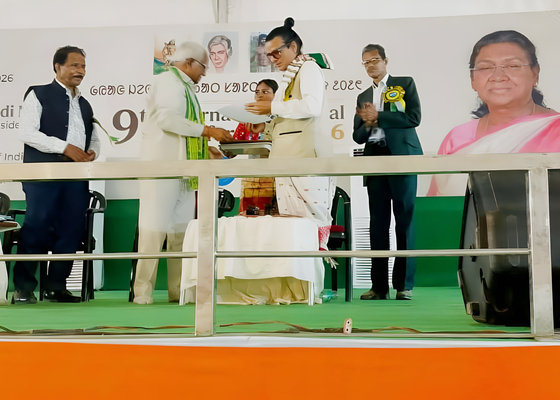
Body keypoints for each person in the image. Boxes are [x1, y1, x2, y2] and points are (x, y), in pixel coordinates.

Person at [132, 41, 233, 305]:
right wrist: (208, 131)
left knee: (181, 234)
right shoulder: (168, 81)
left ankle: (178, 290)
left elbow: (184, 133)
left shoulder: (186, 88)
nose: (205, 73)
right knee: (153, 232)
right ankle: (142, 291)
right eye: (203, 67)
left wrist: (206, 149)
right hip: (162, 169)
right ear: (189, 63)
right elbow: (168, 120)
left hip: (185, 172)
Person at [12, 46, 101, 304]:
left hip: (75, 177)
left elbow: (94, 137)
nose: (80, 71)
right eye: (74, 65)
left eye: (83, 66)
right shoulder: (38, 94)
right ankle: (23, 288)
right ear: (57, 67)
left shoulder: (85, 104)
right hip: (43, 176)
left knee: (71, 229)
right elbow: (27, 132)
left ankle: (56, 287)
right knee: (37, 227)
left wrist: (92, 152)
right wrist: (64, 148)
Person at [429, 30, 560, 196]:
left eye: (512, 66)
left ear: (535, 74)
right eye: (485, 67)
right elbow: (436, 205)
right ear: (472, 79)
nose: (498, 76)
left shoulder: (556, 129)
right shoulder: (457, 138)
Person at [246, 17, 335, 251]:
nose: (273, 59)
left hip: (304, 163)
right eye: (269, 55)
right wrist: (264, 126)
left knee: (306, 230)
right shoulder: (290, 76)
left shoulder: (309, 68)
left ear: (293, 47)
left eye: (276, 53)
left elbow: (312, 107)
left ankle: (310, 274)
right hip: (287, 163)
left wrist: (272, 107)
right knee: (292, 233)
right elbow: (287, 117)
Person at [353, 44, 423, 301]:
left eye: (374, 60)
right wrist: (368, 122)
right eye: (366, 62)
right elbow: (357, 136)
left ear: (385, 61)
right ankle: (378, 286)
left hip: (402, 159)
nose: (370, 65)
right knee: (378, 224)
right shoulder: (363, 96)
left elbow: (414, 118)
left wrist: (380, 116)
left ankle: (404, 285)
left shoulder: (404, 84)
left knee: (404, 221)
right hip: (375, 161)